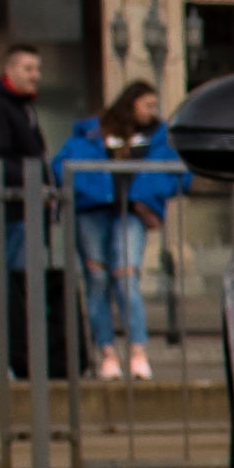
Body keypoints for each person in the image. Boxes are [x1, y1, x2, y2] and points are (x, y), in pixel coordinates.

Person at [53, 80, 187, 380]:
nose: (153, 111)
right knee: (97, 279)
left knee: (126, 279)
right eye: (148, 104)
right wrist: (88, 189)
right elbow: (63, 164)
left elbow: (178, 172)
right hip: (94, 212)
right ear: (131, 103)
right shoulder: (94, 130)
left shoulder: (158, 135)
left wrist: (145, 195)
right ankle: (107, 353)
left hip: (130, 213)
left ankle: (137, 351)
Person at [0, 42, 45, 279]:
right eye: (28, 69)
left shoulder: (23, 107)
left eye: (37, 69)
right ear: (10, 69)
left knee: (23, 281)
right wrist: (33, 183)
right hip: (13, 207)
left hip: (28, 205)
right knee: (15, 281)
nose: (35, 76)